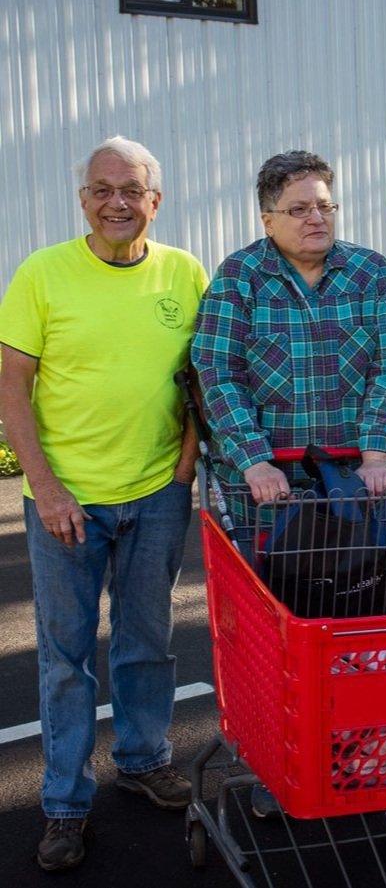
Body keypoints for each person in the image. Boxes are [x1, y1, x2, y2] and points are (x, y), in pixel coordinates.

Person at [0, 137, 208, 872]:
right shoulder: (42, 273)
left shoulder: (184, 273)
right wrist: (47, 487)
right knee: (64, 660)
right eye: (101, 188)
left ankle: (146, 757)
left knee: (148, 642)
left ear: (157, 199)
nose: (116, 201)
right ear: (83, 197)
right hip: (66, 502)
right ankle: (62, 803)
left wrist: (183, 469)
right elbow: (11, 384)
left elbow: (201, 376)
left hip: (155, 494)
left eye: (131, 189)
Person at [191, 149, 386, 818]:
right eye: (299, 208)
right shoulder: (240, 279)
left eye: (324, 204)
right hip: (266, 492)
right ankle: (276, 760)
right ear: (267, 217)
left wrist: (376, 448)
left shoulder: (369, 272)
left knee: (361, 620)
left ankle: (361, 753)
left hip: (356, 487)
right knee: (275, 633)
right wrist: (253, 458)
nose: (316, 217)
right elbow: (216, 370)